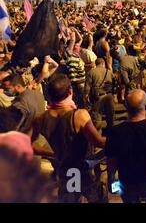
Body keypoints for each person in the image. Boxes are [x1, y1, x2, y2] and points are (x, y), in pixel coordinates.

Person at [31, 73, 107, 203]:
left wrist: (53, 154)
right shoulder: (79, 115)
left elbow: (28, 145)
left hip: (63, 167)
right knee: (89, 196)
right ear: (70, 91)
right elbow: (98, 142)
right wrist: (120, 140)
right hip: (79, 169)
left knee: (69, 196)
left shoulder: (40, 118)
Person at [85, 58, 115, 131]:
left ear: (96, 64)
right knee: (110, 114)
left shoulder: (91, 72)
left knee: (97, 115)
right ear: (103, 63)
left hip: (98, 96)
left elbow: (87, 86)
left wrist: (86, 96)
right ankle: (111, 130)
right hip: (109, 95)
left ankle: (98, 134)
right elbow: (114, 83)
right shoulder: (109, 71)